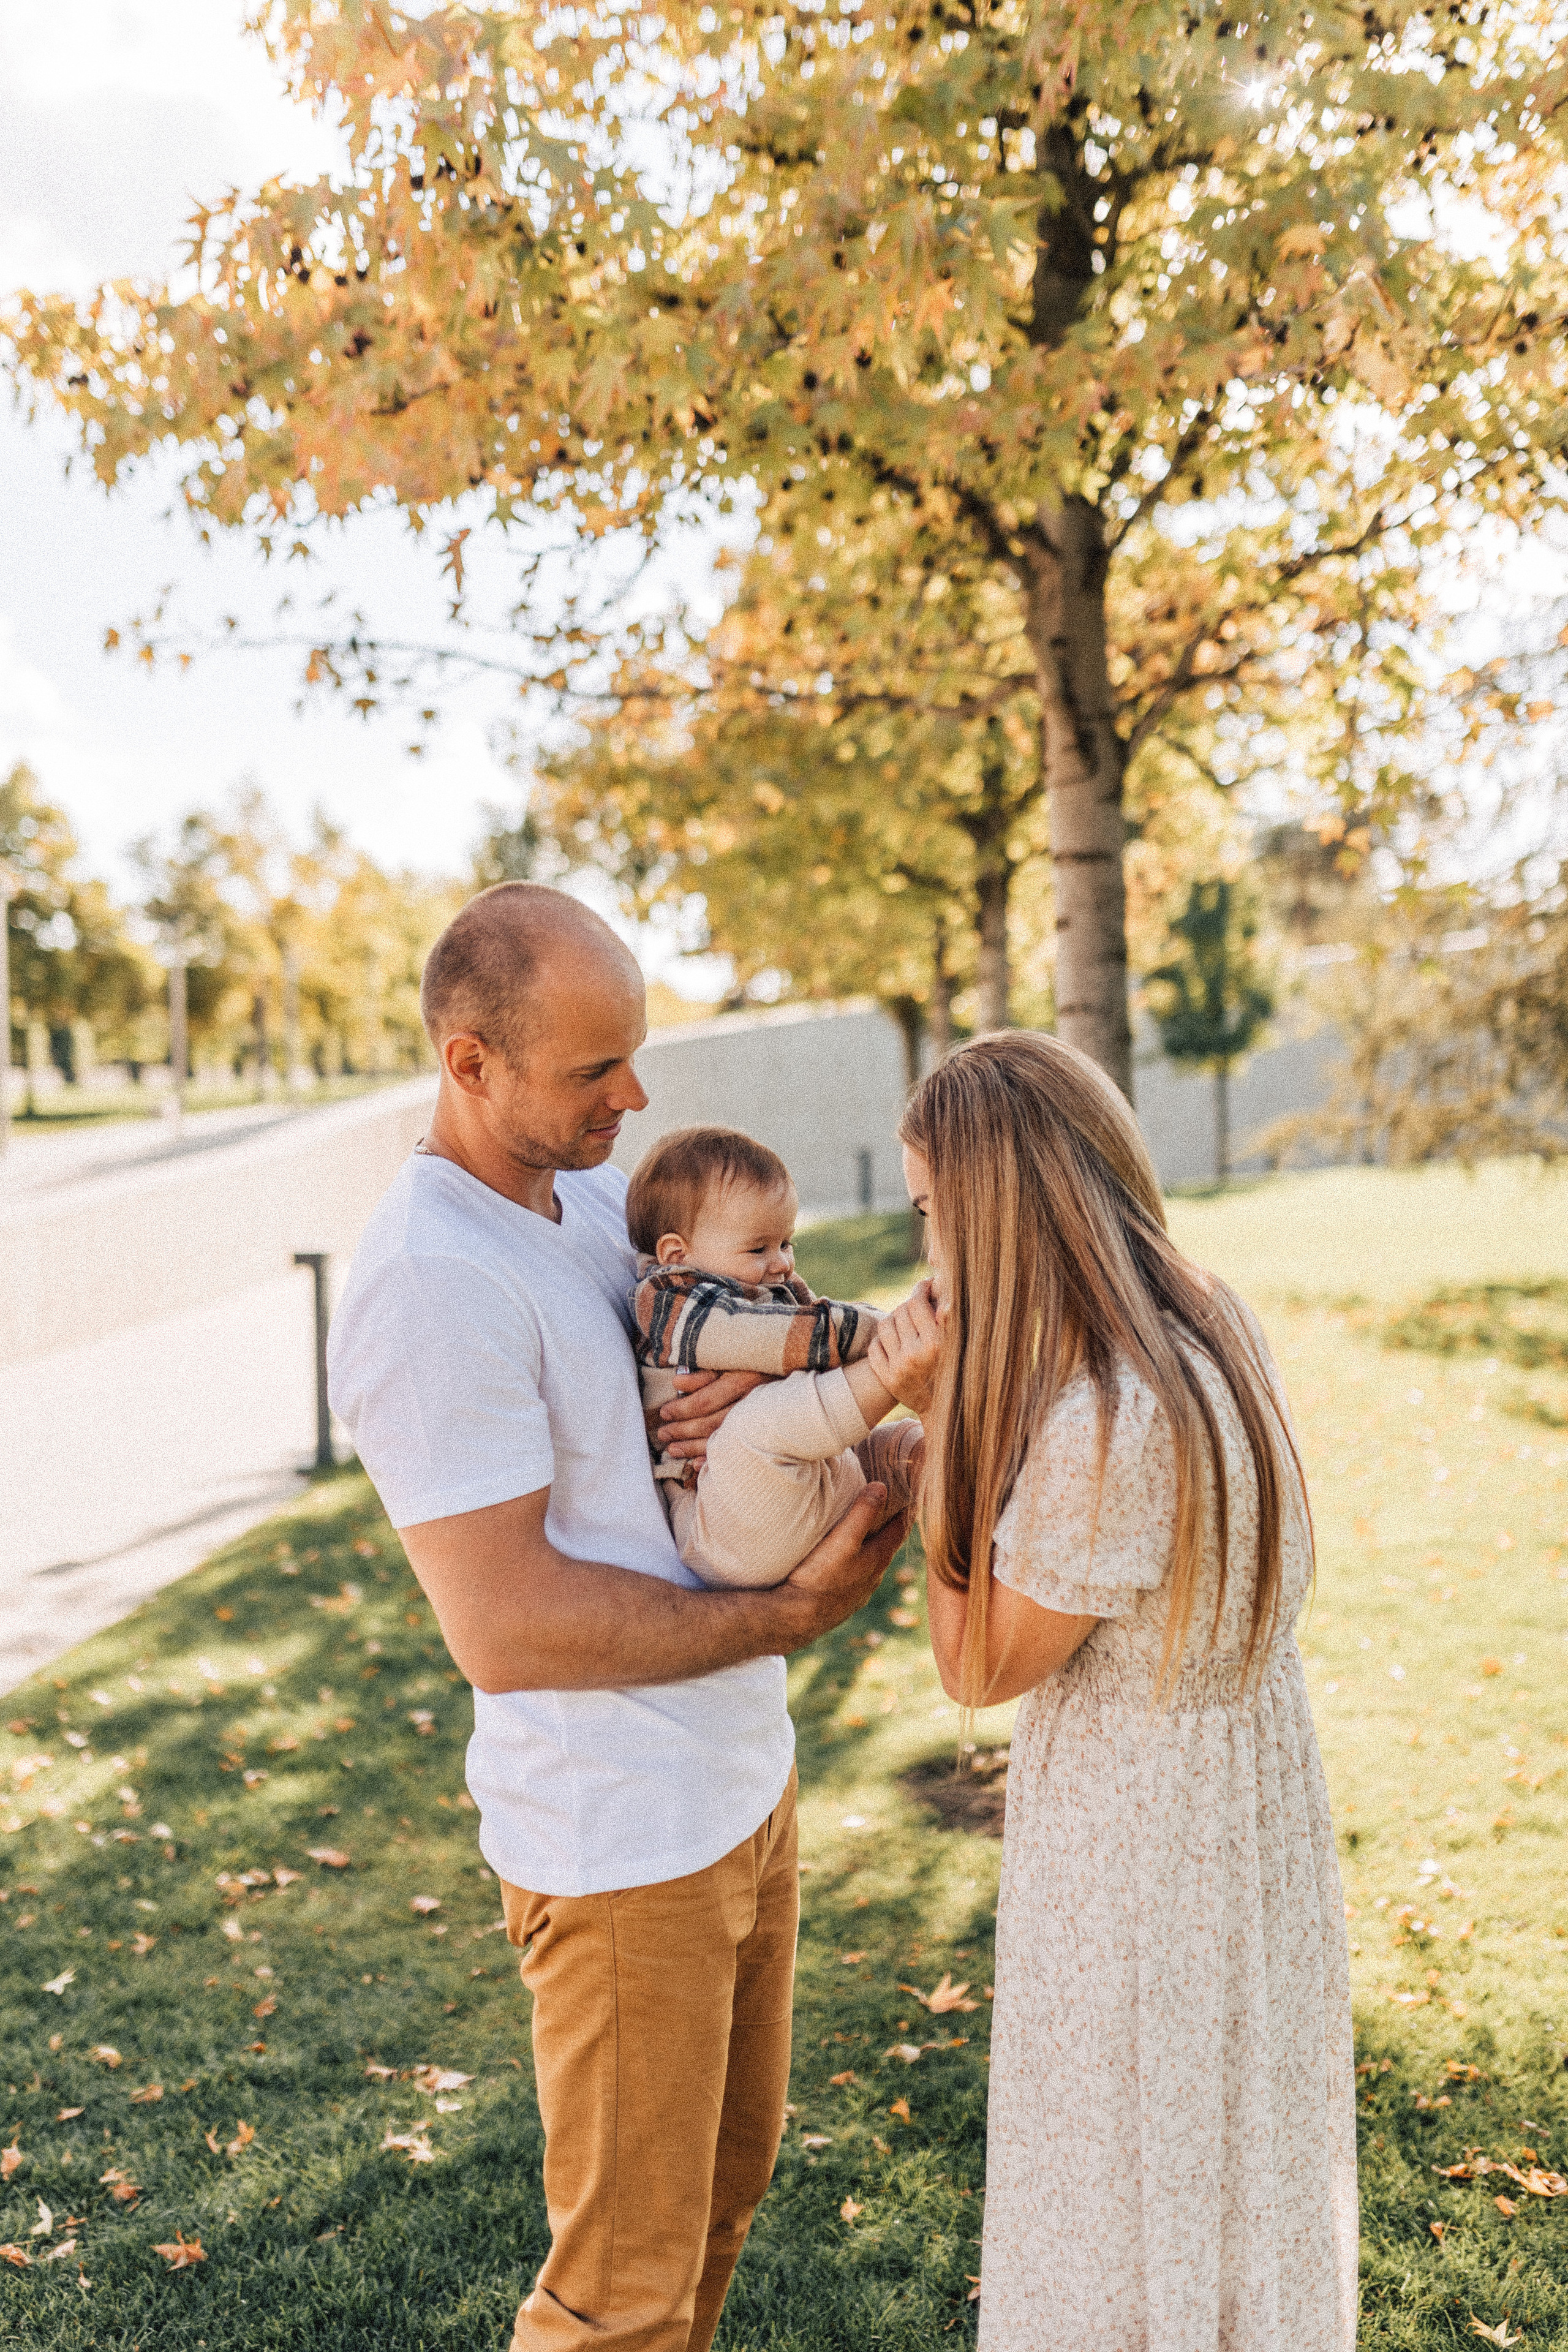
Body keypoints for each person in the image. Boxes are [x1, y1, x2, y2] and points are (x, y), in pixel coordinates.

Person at [325, 883, 921, 2352]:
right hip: (618, 1848)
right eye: (595, 1068)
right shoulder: (428, 1281)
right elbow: (509, 1623)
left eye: (633, 1053)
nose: (634, 1095)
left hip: (734, 1785)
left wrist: (769, 1376)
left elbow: (723, 1321)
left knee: (721, 2199)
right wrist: (788, 1610)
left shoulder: (590, 1194)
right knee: (616, 2297)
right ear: (468, 1064)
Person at [882, 1031, 1357, 2352]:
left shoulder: (1105, 1419)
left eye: (932, 1213)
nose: (925, 1250)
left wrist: (940, 1439)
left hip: (1138, 1842)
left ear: (995, 1206)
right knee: (1220, 2155)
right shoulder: (1209, 1319)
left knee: (1121, 2170)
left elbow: (973, 1668)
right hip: (1240, 1802)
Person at [627, 1123, 924, 1588]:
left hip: (805, 1490)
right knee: (761, 1420)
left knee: (900, 1446)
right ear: (675, 1252)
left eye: (786, 1242)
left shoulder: (773, 1286)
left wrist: (871, 1330)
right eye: (759, 1247)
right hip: (721, 1520)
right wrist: (884, 1335)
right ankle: (902, 1368)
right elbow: (772, 1337)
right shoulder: (669, 1300)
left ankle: (939, 1468)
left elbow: (825, 1326)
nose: (783, 1261)